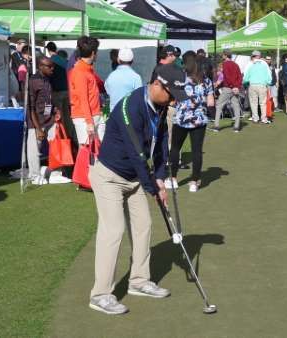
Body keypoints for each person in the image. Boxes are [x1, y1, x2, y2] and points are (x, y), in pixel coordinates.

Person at [88, 64, 188, 315]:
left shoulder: (160, 105)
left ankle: (139, 281)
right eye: (171, 93)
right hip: (109, 177)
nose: (174, 99)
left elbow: (163, 140)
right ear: (157, 84)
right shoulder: (129, 107)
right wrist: (153, 188)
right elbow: (137, 154)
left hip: (133, 178)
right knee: (113, 231)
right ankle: (100, 295)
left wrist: (162, 177)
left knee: (144, 226)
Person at [166, 52, 214, 192]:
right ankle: (194, 182)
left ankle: (173, 179)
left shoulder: (179, 78)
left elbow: (172, 98)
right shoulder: (206, 80)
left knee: (175, 148)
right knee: (196, 151)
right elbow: (210, 102)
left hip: (181, 118)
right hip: (199, 120)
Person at [26, 56, 59, 185]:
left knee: (56, 145)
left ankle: (55, 171)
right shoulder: (33, 82)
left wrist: (56, 110)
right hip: (36, 122)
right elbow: (30, 107)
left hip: (49, 119)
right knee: (34, 150)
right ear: (40, 66)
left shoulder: (48, 79)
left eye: (53, 66)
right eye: (49, 66)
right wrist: (38, 128)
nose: (52, 69)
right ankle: (34, 175)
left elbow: (48, 99)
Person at [69, 36, 104, 144]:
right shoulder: (80, 71)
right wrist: (89, 122)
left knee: (99, 150)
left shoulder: (87, 68)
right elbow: (83, 99)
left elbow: (100, 85)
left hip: (93, 114)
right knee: (87, 151)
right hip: (84, 117)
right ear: (93, 53)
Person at [46, 43, 72, 140]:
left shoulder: (50, 61)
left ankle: (61, 139)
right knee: (67, 118)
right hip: (67, 92)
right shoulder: (66, 61)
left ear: (48, 50)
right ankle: (69, 138)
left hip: (56, 93)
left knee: (57, 117)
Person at [105, 48, 143, 113]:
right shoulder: (136, 77)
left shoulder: (110, 76)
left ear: (118, 60)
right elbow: (139, 99)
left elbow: (108, 92)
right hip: (129, 116)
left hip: (114, 115)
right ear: (132, 61)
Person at [213, 49, 242, 132]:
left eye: (223, 54)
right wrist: (237, 87)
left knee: (219, 105)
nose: (222, 56)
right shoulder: (236, 64)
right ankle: (236, 126)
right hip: (235, 88)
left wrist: (233, 86)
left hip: (228, 88)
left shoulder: (225, 64)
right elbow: (239, 77)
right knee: (236, 106)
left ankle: (216, 126)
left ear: (225, 55)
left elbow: (228, 77)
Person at [243, 50, 272, 124]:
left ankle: (255, 118)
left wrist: (245, 83)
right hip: (262, 85)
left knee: (253, 103)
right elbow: (269, 75)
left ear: (252, 56)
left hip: (252, 85)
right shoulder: (264, 63)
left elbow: (245, 76)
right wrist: (268, 82)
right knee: (263, 103)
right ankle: (263, 119)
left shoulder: (249, 64)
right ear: (259, 56)